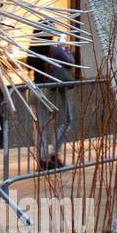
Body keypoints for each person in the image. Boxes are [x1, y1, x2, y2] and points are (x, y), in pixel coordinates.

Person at [26, 37, 75, 171]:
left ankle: (43, 159)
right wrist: (67, 49)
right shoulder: (55, 49)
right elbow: (71, 62)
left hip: (36, 89)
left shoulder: (32, 51)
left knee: (41, 128)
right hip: (50, 90)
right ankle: (52, 153)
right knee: (65, 121)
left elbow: (28, 67)